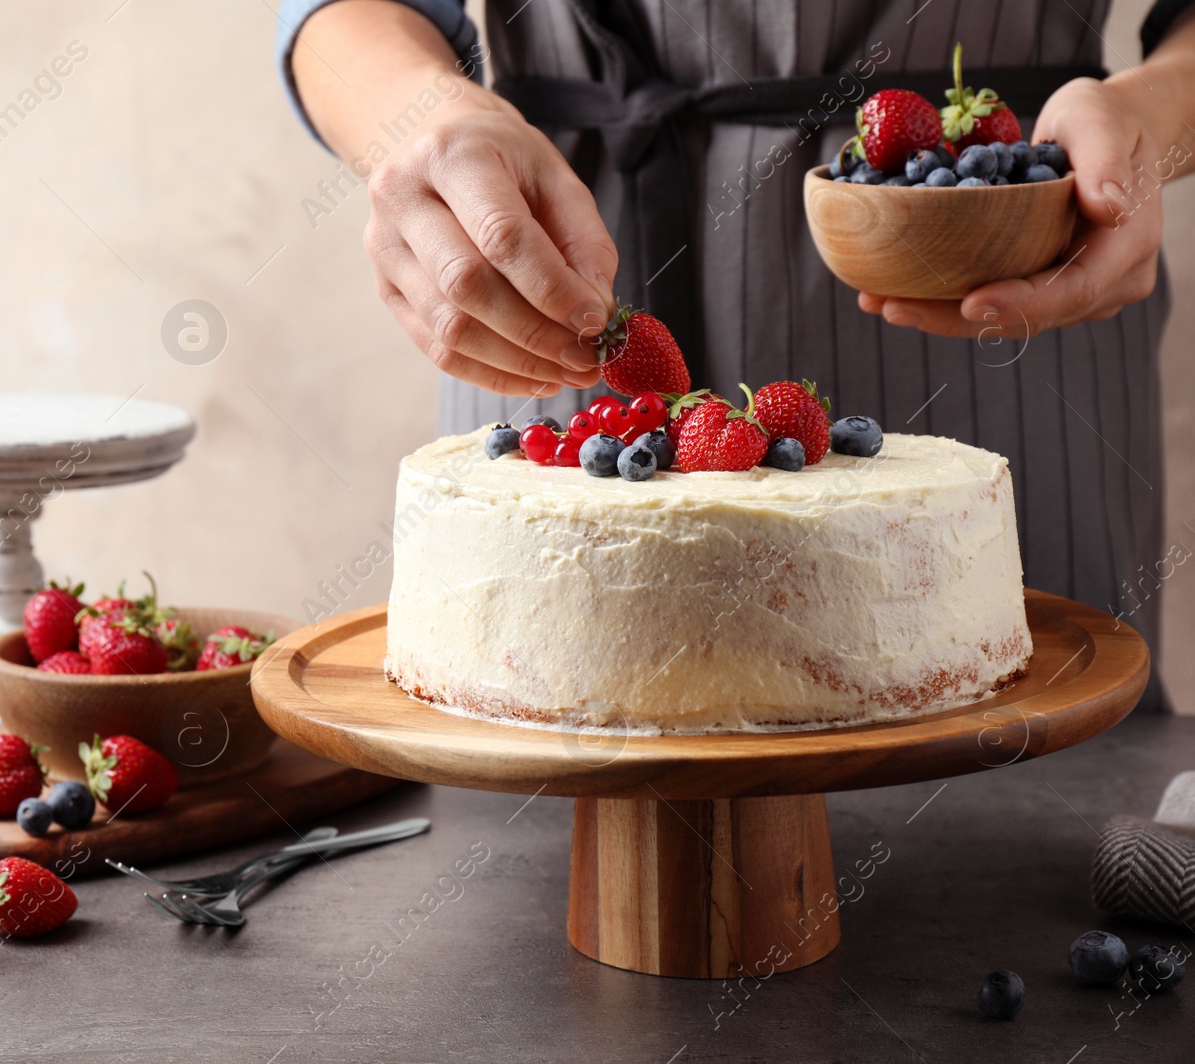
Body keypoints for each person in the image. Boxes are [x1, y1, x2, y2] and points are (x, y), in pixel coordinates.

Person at [278, 0, 1195, 712]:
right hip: (541, 262)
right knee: (537, 832)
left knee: (1021, 833)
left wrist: (1151, 116)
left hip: (1000, 290)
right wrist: (419, 114)